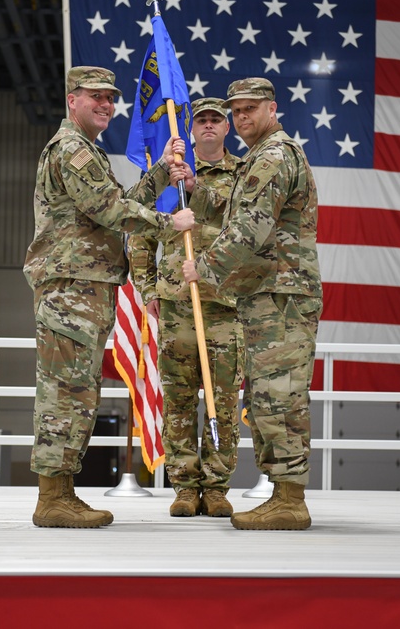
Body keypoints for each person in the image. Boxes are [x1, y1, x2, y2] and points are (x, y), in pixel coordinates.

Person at [24, 66, 194, 528]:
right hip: (70, 289)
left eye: (110, 98)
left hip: (86, 288)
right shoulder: (71, 150)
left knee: (79, 392)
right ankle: (51, 498)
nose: (105, 104)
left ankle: (62, 492)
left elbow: (119, 200)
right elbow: (111, 209)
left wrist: (160, 173)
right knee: (65, 393)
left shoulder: (89, 151)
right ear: (71, 100)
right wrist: (167, 224)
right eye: (95, 96)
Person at [182, 78, 322, 530]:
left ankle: (289, 499)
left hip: (281, 294)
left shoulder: (274, 156)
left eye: (250, 110)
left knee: (279, 397)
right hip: (266, 293)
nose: (242, 119)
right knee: (264, 397)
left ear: (273, 109)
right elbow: (235, 214)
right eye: (236, 111)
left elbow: (252, 227)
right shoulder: (262, 157)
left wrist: (202, 266)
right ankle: (282, 493)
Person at [128, 97, 243, 518]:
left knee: (223, 397)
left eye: (216, 120)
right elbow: (140, 234)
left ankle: (215, 486)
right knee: (177, 397)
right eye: (202, 121)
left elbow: (248, 223)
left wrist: (200, 190)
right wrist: (147, 289)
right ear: (191, 129)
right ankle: (182, 485)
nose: (209, 126)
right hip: (176, 304)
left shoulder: (243, 174)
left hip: (225, 304)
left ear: (227, 127)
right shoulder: (169, 177)